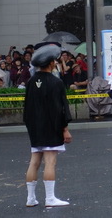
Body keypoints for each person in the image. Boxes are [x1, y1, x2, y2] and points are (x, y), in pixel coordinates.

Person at [23, 43, 72, 207]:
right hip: (52, 126)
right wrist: (65, 129)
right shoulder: (56, 82)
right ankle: (50, 198)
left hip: (35, 127)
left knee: (34, 162)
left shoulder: (30, 82)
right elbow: (61, 108)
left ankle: (30, 198)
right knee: (50, 162)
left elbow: (27, 108)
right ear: (51, 63)